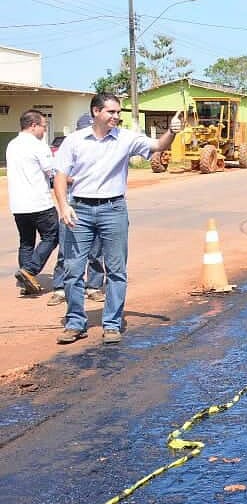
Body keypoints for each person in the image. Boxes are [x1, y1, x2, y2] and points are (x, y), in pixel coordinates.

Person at [53, 93, 181, 345]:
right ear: (96, 112)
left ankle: (111, 324)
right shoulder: (74, 140)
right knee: (73, 269)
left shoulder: (126, 138)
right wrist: (63, 206)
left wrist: (172, 132)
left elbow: (158, 146)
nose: (116, 116)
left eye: (118, 112)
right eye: (111, 112)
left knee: (116, 270)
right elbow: (60, 175)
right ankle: (75, 323)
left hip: (113, 209)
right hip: (79, 210)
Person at [47, 113, 107, 306]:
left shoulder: (102, 150)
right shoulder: (69, 147)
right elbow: (57, 176)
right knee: (66, 251)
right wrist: (76, 179)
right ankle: (60, 289)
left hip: (98, 205)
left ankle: (93, 287)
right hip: (72, 206)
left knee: (96, 251)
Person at [6, 110, 58, 296]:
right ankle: (30, 270)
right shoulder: (38, 146)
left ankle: (26, 281)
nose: (45, 130)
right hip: (39, 203)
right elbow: (52, 172)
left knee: (26, 242)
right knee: (52, 236)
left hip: (18, 204)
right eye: (44, 126)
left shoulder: (12, 144)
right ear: (33, 125)